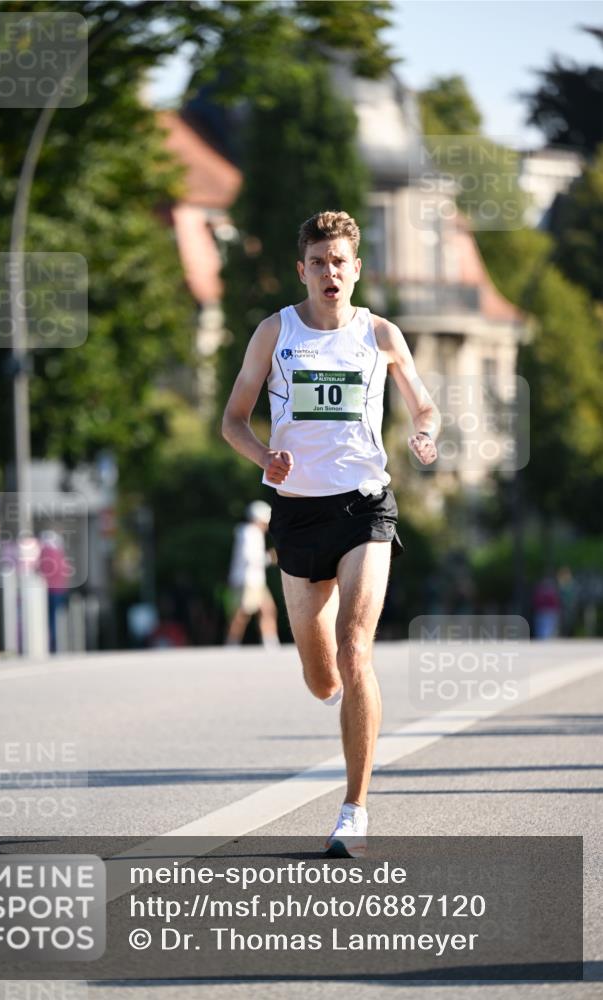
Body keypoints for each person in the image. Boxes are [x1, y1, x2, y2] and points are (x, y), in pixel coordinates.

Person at [222, 210, 439, 856]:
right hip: (296, 513)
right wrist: (265, 459)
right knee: (322, 677)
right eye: (318, 262)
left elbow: (422, 403)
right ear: (303, 270)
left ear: (356, 269)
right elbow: (233, 420)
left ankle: (354, 808)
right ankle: (340, 695)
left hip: (364, 506)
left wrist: (423, 432)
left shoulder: (379, 334)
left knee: (354, 649)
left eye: (339, 262)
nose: (329, 273)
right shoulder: (273, 333)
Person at [226, 500, 280, 649]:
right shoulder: (250, 533)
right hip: (249, 580)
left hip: (254, 580)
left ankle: (270, 641)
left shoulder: (248, 532)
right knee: (242, 614)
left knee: (267, 609)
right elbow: (250, 557)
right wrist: (270, 557)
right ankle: (232, 643)